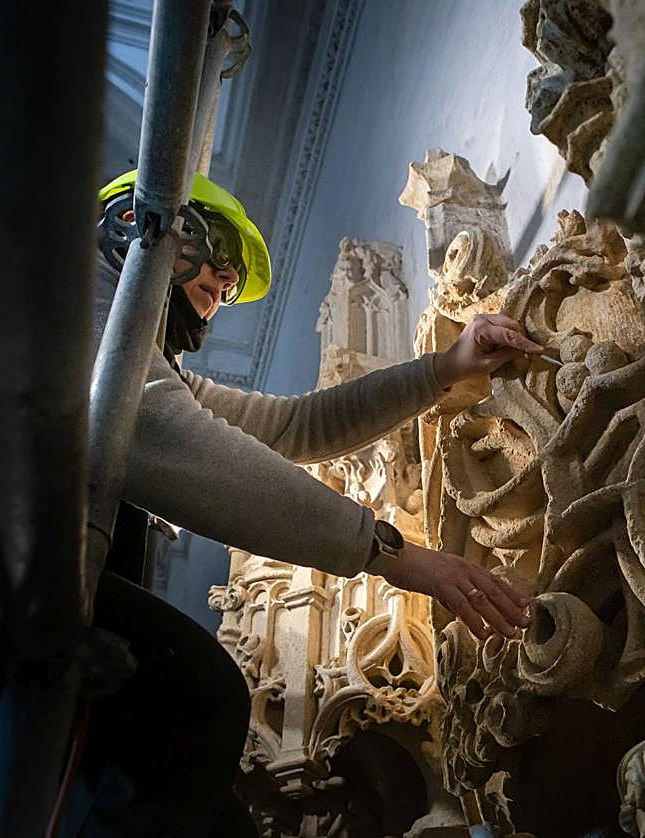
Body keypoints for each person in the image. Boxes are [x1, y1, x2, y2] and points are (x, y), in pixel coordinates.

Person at [62, 170, 542, 837]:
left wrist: (444, 368)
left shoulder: (152, 366)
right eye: (216, 260)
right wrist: (392, 555)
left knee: (209, 797)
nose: (220, 290)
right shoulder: (72, 307)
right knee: (194, 697)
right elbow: (157, 432)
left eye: (230, 287)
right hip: (6, 581)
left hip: (56, 590)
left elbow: (297, 426)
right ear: (139, 225)